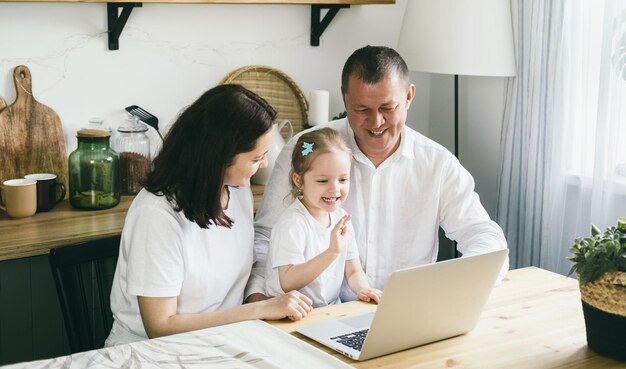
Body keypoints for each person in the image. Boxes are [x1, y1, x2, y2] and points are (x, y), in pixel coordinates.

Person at [247, 45, 509, 302]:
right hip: (320, 314)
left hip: (409, 310)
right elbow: (266, 236)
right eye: (362, 110)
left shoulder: (437, 163)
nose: (376, 123)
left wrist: (460, 284)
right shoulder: (305, 149)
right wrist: (258, 300)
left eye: (387, 108)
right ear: (345, 97)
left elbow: (483, 234)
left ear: (408, 96)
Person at [106, 84, 312, 346]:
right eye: (256, 157)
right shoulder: (156, 214)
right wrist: (260, 310)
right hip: (153, 353)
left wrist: (262, 299)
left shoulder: (237, 191)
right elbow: (160, 326)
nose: (264, 164)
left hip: (223, 342)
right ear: (219, 157)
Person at [264, 128, 382, 307]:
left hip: (328, 311)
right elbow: (287, 281)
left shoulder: (341, 218)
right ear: (299, 180)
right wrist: (332, 252)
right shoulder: (292, 224)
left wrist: (363, 289)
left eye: (343, 180)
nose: (335, 189)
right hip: (289, 314)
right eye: (322, 181)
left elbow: (353, 270)